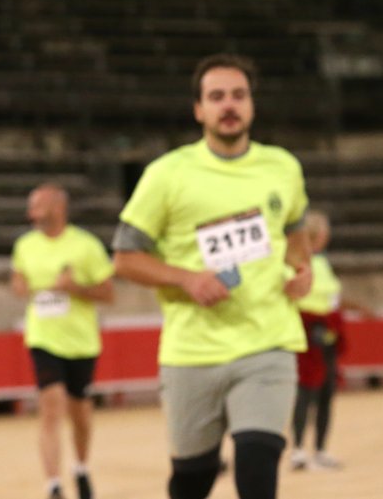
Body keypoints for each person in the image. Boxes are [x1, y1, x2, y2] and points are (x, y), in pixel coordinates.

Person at [112, 53, 312, 499]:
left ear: (252, 105)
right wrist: (187, 279)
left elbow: (296, 228)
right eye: (216, 96)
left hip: (268, 343)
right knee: (193, 479)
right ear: (198, 109)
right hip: (192, 352)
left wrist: (303, 267)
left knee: (257, 472)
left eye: (238, 95)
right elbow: (124, 257)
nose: (229, 105)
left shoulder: (283, 167)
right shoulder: (166, 174)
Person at [10, 183, 115, 499]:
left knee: (80, 413)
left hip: (81, 342)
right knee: (51, 406)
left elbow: (108, 293)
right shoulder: (25, 245)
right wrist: (34, 288)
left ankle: (81, 468)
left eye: (37, 205)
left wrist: (74, 288)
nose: (31, 212)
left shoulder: (86, 246)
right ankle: (53, 484)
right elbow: (17, 284)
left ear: (58, 207)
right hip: (43, 337)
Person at [290, 210, 363, 471]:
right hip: (314, 332)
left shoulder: (313, 262)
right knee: (311, 392)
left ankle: (311, 449)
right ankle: (305, 449)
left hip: (318, 333)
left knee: (317, 392)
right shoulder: (309, 262)